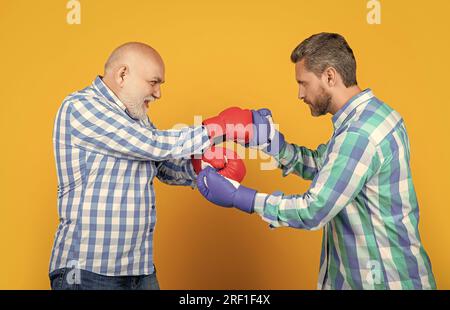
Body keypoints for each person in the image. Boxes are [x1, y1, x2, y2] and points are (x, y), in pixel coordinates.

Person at [197, 33, 437, 290]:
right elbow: (328, 168)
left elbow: (313, 210)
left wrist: (241, 197)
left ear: (330, 76)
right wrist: (272, 144)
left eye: (304, 83)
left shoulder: (359, 134)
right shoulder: (372, 116)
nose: (300, 94)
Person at [49, 42, 250, 290]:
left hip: (139, 270)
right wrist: (219, 127)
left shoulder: (137, 120)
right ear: (123, 75)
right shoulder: (81, 106)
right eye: (153, 83)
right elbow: (152, 145)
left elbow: (161, 164)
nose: (158, 94)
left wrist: (202, 167)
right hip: (88, 272)